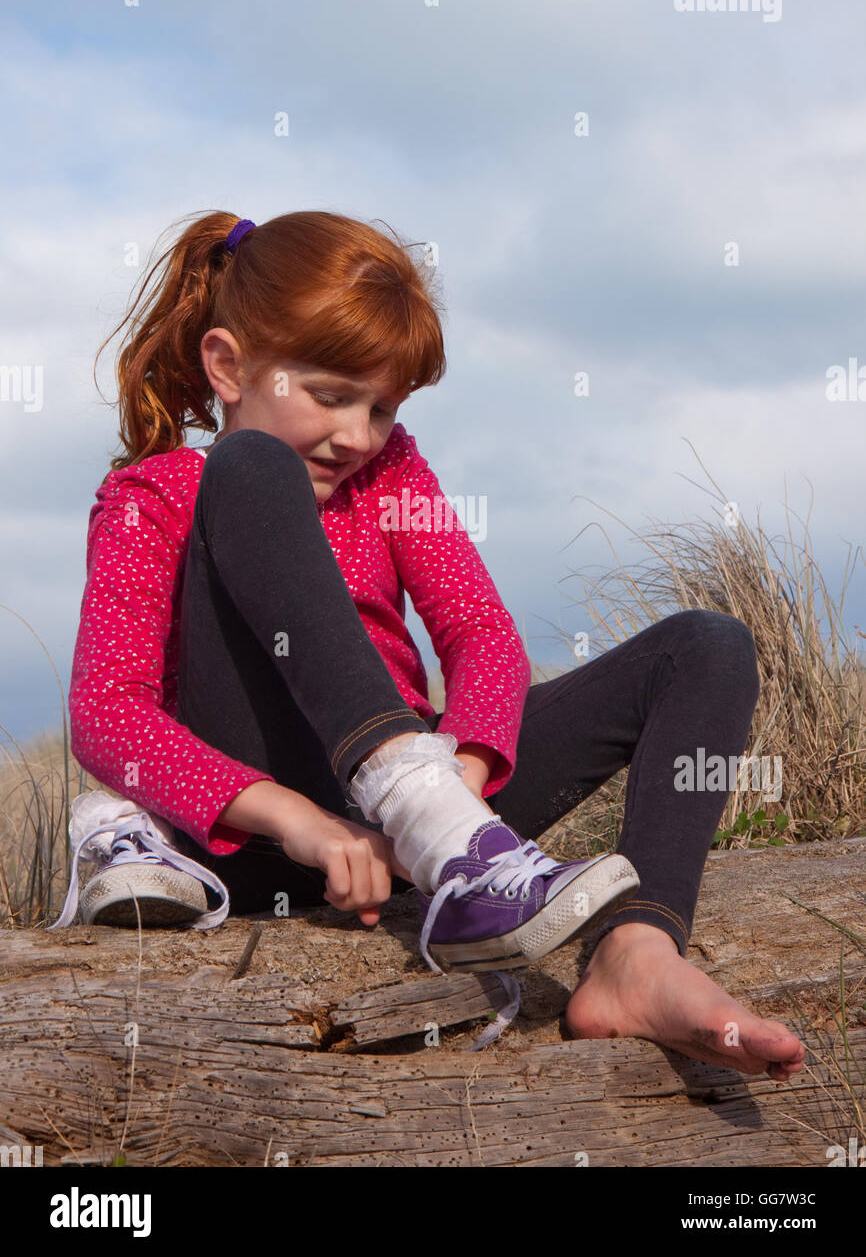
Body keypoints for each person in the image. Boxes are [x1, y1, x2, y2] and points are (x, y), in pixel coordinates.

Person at [55, 209, 805, 1080]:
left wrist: (461, 794)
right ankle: (159, 832)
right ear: (227, 365)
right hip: (266, 837)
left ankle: (636, 956)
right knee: (248, 467)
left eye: (382, 408)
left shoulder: (389, 473)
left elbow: (480, 633)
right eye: (333, 397)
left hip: (420, 825)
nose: (359, 435)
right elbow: (105, 713)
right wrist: (300, 823)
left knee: (705, 647)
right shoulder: (157, 494)